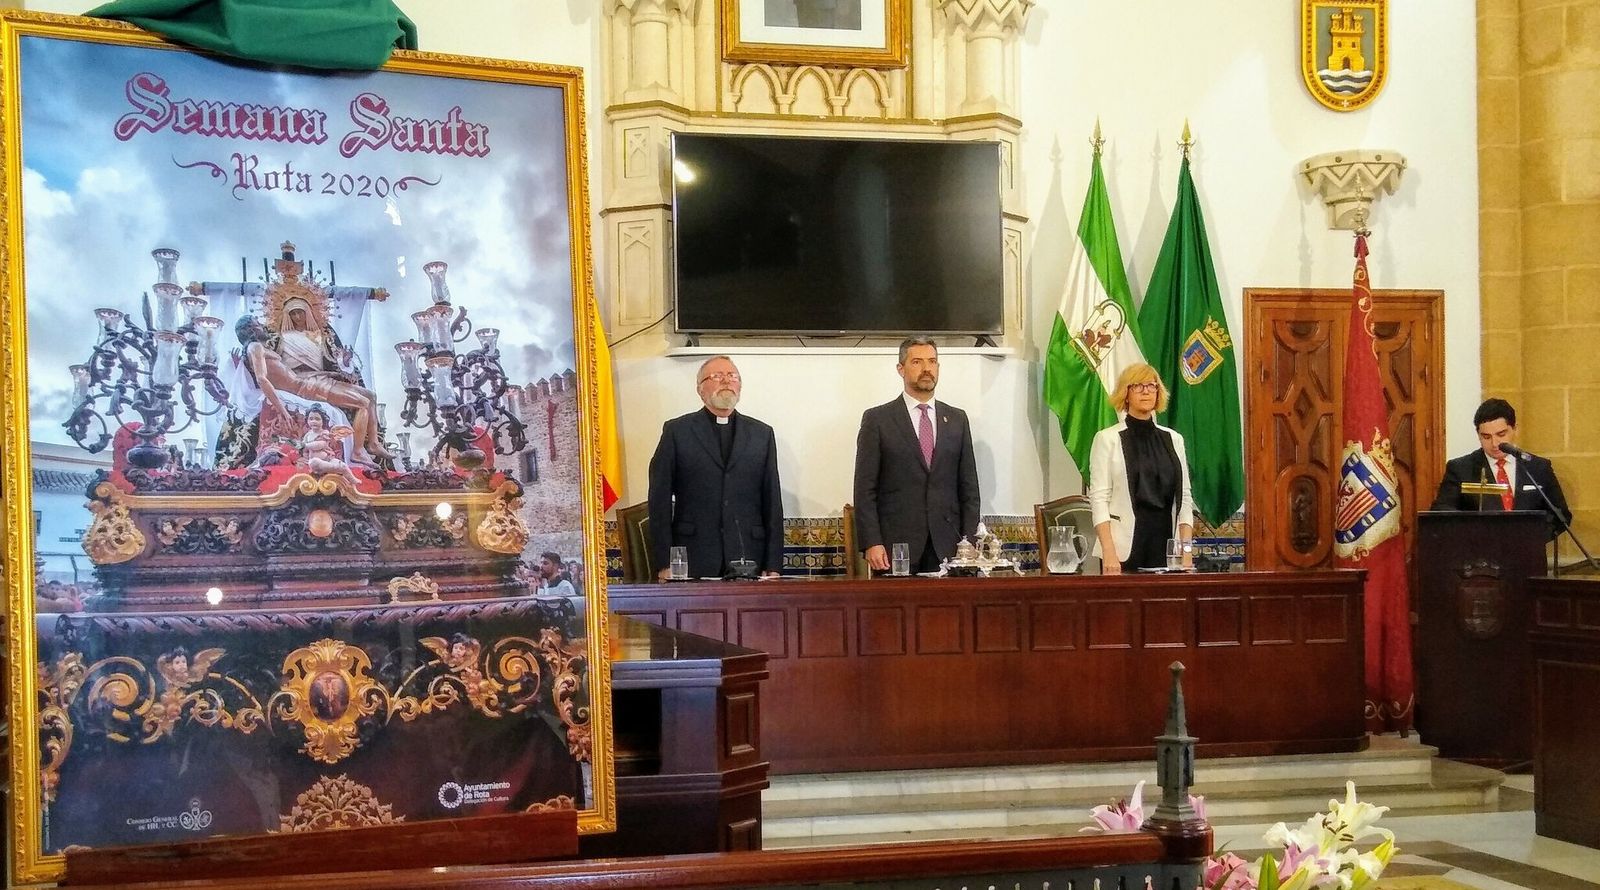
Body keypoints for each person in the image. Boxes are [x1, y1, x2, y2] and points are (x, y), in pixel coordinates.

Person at [648, 356, 784, 580]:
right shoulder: (677, 432)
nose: (727, 381)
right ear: (700, 390)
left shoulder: (761, 434)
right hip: (693, 556)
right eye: (717, 376)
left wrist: (774, 564)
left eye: (732, 376)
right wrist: (664, 562)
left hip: (749, 555)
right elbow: (659, 500)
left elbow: (772, 501)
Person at [853, 337, 980, 574]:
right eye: (917, 362)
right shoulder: (878, 420)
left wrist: (970, 541)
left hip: (949, 546)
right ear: (901, 369)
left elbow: (969, 489)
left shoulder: (957, 419)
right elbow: (865, 489)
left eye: (932, 362)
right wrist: (872, 542)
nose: (926, 369)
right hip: (895, 547)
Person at [1087, 363, 1195, 574]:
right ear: (1126, 393)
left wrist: (1187, 550)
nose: (1146, 391)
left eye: (1151, 386)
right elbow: (1099, 499)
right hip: (1123, 549)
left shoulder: (1174, 439)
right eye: (1138, 386)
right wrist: (1109, 552)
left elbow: (1185, 497)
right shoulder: (1107, 439)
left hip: (1167, 545)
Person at [1430, 398, 1571, 535]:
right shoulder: (1460, 469)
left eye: (1501, 434)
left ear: (1515, 429)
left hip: (1528, 547)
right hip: (1479, 547)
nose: (1495, 443)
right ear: (1478, 435)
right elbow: (1442, 512)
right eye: (1486, 437)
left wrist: (1529, 536)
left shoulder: (1538, 467)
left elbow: (1560, 515)